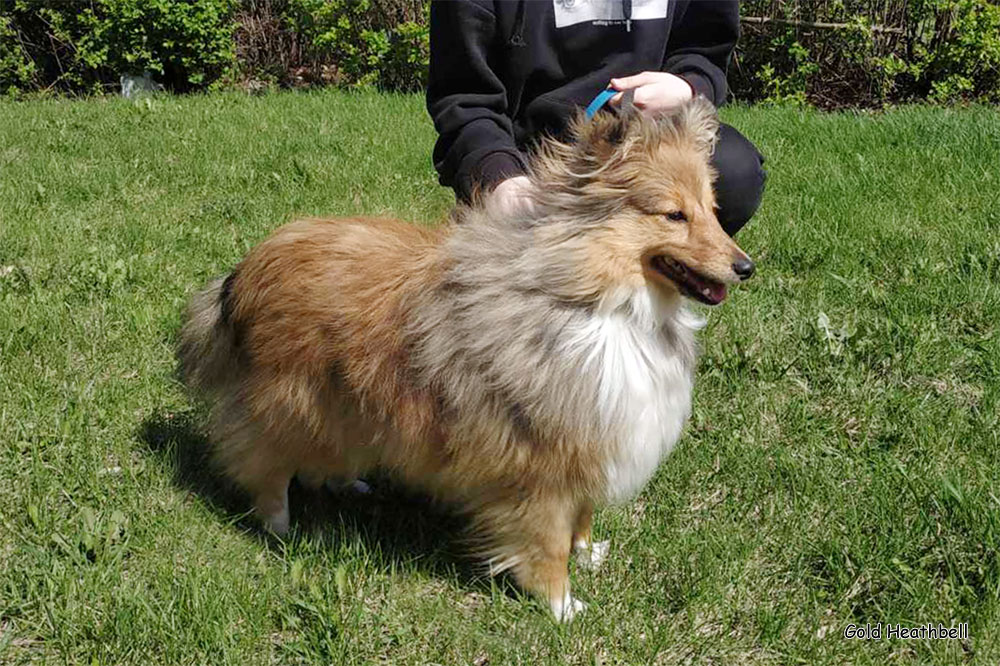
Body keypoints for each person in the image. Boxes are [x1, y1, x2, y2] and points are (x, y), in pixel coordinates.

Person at [426, 0, 765, 236]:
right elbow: (465, 97)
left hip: (651, 142)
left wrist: (688, 84)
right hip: (531, 159)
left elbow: (705, 46)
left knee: (733, 171)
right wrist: (500, 178)